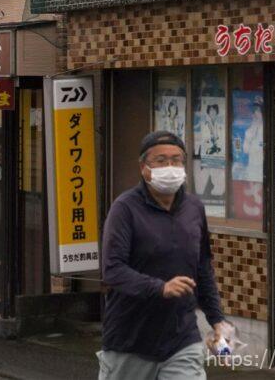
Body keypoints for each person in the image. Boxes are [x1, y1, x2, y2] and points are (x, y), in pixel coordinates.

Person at [98, 130, 227, 380]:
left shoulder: (194, 208)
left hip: (182, 337)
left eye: (177, 159)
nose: (170, 166)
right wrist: (160, 288)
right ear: (144, 167)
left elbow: (202, 267)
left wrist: (217, 319)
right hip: (130, 338)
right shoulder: (125, 209)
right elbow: (112, 269)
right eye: (161, 160)